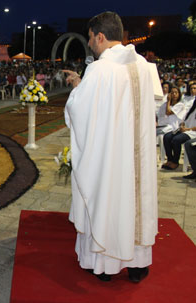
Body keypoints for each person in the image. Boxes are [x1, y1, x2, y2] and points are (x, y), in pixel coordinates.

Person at [63, 12, 157, 283]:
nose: (90, 44)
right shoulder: (142, 65)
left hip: (112, 158)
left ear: (100, 36)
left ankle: (103, 265)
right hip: (137, 157)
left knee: (108, 200)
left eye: (91, 38)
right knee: (136, 202)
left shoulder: (100, 68)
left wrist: (77, 88)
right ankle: (138, 265)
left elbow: (80, 112)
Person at [162, 97, 196, 170]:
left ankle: (175, 161)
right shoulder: (192, 110)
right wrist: (182, 125)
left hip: (193, 133)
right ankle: (170, 160)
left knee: (176, 140)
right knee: (167, 137)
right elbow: (185, 120)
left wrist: (187, 129)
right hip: (185, 130)